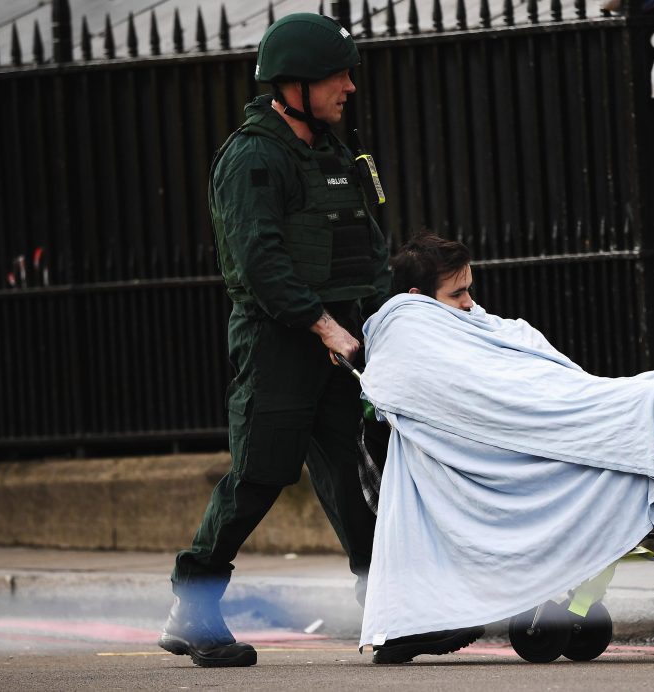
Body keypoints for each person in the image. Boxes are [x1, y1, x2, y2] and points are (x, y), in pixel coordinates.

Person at [357, 232, 654, 663]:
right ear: (418, 297)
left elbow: (526, 369)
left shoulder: (470, 325)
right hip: (520, 433)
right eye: (457, 294)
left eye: (470, 290)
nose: (470, 302)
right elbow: (483, 399)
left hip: (551, 407)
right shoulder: (410, 333)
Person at [157, 13, 392, 668]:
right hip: (279, 342)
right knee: (261, 473)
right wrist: (325, 328)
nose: (350, 86)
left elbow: (367, 246)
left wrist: (383, 320)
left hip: (343, 340)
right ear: (296, 84)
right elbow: (259, 264)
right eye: (338, 75)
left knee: (352, 470)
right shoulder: (253, 158)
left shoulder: (333, 155)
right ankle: (193, 607)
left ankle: (390, 605)